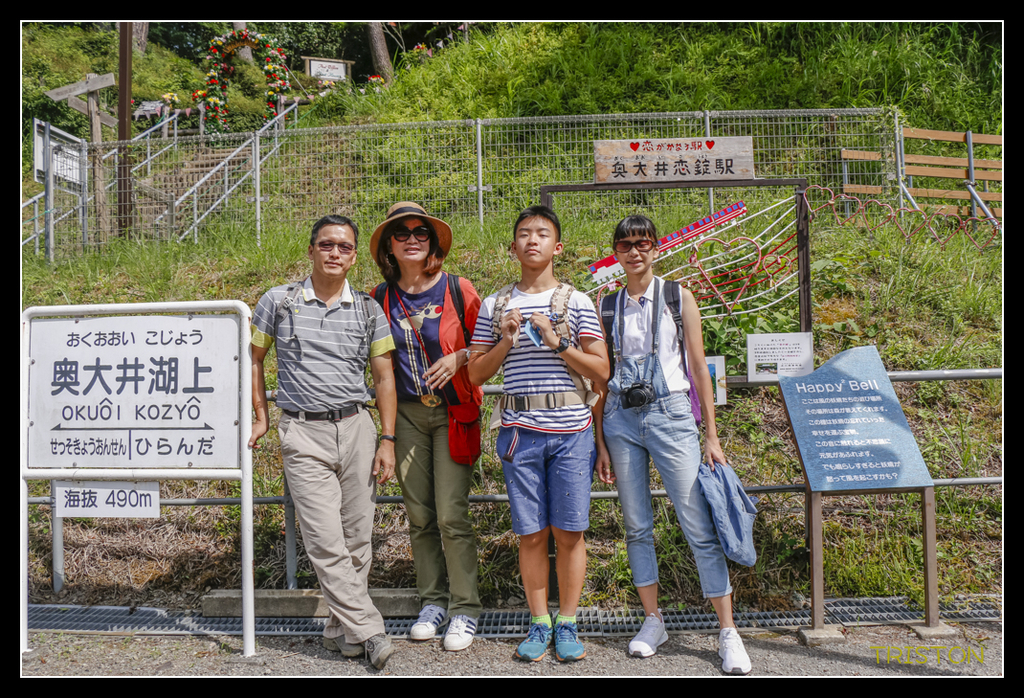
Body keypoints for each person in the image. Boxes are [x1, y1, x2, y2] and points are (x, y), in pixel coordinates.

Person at [594, 214, 752, 674]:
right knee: (636, 524)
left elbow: (700, 368)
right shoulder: (607, 305)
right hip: (621, 418)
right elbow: (602, 378)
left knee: (697, 522)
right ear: (616, 253)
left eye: (642, 243)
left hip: (672, 415)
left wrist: (712, 436)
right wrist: (601, 438)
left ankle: (728, 631)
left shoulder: (677, 296)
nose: (634, 252)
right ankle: (652, 620)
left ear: (656, 248)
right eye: (625, 245)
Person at [248, 214, 398, 670]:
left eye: (345, 247)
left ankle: (340, 630)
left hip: (357, 427)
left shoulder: (369, 309)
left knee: (357, 539)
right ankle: (370, 629)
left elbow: (384, 376)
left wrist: (387, 439)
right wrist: (261, 415)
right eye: (327, 245)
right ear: (311, 250)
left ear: (354, 256)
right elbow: (253, 358)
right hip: (302, 430)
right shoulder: (279, 300)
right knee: (325, 539)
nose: (335, 253)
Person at [466, 205, 609, 663]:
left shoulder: (579, 301)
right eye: (524, 234)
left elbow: (603, 371)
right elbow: (474, 374)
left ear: (557, 246)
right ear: (512, 247)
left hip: (572, 432)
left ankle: (566, 621)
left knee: (569, 532)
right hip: (518, 432)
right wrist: (506, 340)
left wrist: (558, 343)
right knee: (530, 535)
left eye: (542, 234)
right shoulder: (494, 305)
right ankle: (538, 622)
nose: (533, 240)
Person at [368, 202, 484, 651]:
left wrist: (461, 356)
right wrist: (387, 432)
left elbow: (488, 343)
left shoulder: (458, 289)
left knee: (452, 513)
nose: (412, 237)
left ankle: (464, 608)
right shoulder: (379, 298)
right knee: (419, 515)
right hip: (409, 415)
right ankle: (432, 602)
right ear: (389, 247)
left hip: (454, 411)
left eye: (421, 231)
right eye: (401, 233)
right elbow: (378, 367)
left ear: (432, 242)